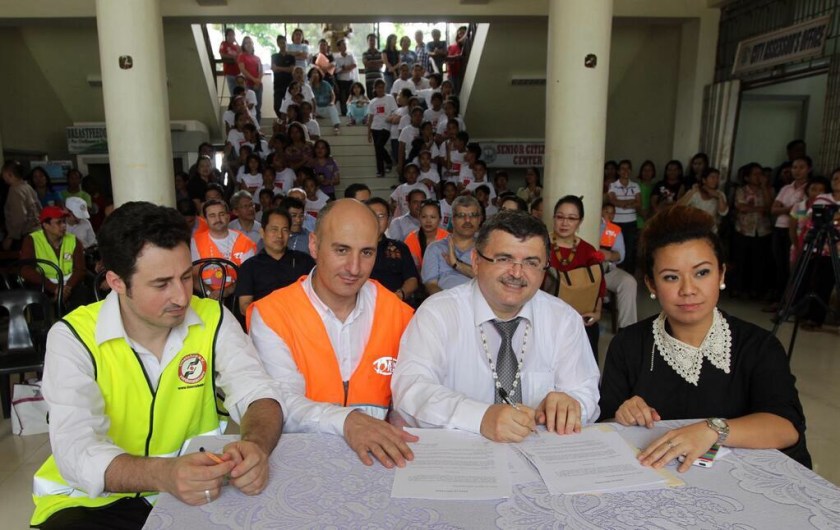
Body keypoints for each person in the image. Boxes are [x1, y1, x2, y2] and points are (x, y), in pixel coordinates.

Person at [30, 202, 283, 529]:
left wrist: (256, 446)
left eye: (185, 277)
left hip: (195, 488)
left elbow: (258, 392)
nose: (181, 297)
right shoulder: (73, 338)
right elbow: (75, 449)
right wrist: (163, 474)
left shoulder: (214, 319)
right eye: (161, 284)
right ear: (117, 282)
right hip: (89, 500)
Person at [598, 205, 811, 471]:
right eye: (671, 277)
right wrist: (622, 412)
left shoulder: (757, 346)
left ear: (721, 274)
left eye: (701, 273)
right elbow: (603, 421)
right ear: (652, 285)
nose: (688, 290)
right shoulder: (628, 345)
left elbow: (786, 427)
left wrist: (713, 429)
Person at [393, 211, 601, 440]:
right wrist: (480, 418)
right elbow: (411, 389)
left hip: (540, 449)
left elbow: (586, 392)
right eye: (503, 259)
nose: (517, 273)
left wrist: (571, 406)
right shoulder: (439, 313)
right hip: (462, 455)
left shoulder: (563, 319)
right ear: (475, 261)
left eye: (531, 263)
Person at [248, 199, 417, 468]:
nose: (354, 268)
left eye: (366, 253)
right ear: (314, 246)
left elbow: (415, 395)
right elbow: (280, 405)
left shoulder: (401, 314)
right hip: (303, 460)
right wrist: (347, 420)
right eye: (342, 250)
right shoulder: (272, 314)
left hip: (383, 459)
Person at [546, 196, 605, 360]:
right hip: (548, 318)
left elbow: (599, 285)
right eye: (560, 217)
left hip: (580, 318)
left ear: (580, 222)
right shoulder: (541, 245)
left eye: (571, 218)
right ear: (554, 218)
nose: (565, 223)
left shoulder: (588, 250)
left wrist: (597, 312)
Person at [235, 207, 315, 315]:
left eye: (285, 230)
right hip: (265, 323)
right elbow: (244, 306)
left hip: (300, 319)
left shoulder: (305, 261)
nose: (280, 235)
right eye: (274, 229)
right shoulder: (249, 267)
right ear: (262, 232)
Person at [20, 205, 87, 310]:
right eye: (59, 222)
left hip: (69, 284)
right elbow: (26, 270)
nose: (64, 226)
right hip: (44, 283)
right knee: (36, 296)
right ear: (46, 225)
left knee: (82, 292)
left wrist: (66, 289)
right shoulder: (32, 240)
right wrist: (54, 288)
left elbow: (80, 269)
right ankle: (41, 326)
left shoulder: (73, 240)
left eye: (64, 222)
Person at [191, 199, 257, 299]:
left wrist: (226, 291)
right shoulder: (195, 241)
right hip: (204, 295)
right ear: (205, 219)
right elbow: (194, 276)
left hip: (235, 296)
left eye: (221, 214)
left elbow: (248, 277)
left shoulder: (245, 242)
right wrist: (209, 293)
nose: (218, 219)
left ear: (228, 216)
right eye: (212, 215)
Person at [421, 195, 481, 294]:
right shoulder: (435, 248)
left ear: (479, 219)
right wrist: (451, 305)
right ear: (452, 220)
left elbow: (490, 280)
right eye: (461, 215)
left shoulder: (486, 249)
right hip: (445, 305)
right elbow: (431, 286)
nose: (467, 220)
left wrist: (456, 264)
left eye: (473, 215)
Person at [366, 197, 419, 303]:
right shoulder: (354, 249)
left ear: (388, 220)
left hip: (396, 302)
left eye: (381, 216)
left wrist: (398, 296)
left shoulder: (399, 247)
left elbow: (412, 279)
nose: (376, 220)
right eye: (371, 215)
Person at [600, 203, 638, 330]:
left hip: (607, 270)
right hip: (586, 271)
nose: (609, 215)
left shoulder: (613, 230)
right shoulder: (588, 225)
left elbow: (620, 255)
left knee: (629, 282)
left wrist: (609, 255)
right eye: (606, 211)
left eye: (612, 212)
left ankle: (626, 329)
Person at [608, 159, 641, 274]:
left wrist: (622, 202)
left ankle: (629, 274)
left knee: (630, 249)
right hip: (616, 221)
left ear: (630, 170)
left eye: (628, 168)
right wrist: (631, 201)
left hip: (631, 221)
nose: (625, 171)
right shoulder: (613, 185)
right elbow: (613, 201)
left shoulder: (635, 185)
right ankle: (615, 273)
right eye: (622, 168)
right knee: (615, 247)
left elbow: (638, 203)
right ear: (618, 171)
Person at [2, 160, 42, 250]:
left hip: (23, 235)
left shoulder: (15, 190)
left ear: (9, 174)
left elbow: (19, 217)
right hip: (37, 231)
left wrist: (11, 236)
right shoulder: (28, 187)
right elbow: (39, 208)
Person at [404, 198, 448, 269]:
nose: (428, 221)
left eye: (432, 217)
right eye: (424, 217)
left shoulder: (447, 238)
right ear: (419, 218)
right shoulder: (411, 239)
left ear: (440, 219)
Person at [237, 36, 263, 123]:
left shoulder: (257, 58)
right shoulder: (241, 56)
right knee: (247, 107)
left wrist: (258, 81)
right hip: (247, 85)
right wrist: (254, 80)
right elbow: (243, 70)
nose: (249, 44)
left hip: (258, 85)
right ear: (243, 45)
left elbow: (261, 70)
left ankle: (257, 127)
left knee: (258, 107)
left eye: (250, 42)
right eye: (246, 42)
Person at [271, 35, 295, 118]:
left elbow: (291, 70)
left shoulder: (291, 57)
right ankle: (282, 120)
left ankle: (288, 121)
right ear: (278, 44)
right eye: (280, 43)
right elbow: (274, 69)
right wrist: (285, 68)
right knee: (277, 106)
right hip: (278, 85)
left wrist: (279, 68)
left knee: (290, 105)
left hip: (289, 84)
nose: (283, 45)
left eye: (284, 43)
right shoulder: (274, 56)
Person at [218, 28, 241, 96]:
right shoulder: (224, 44)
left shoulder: (235, 46)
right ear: (226, 36)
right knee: (233, 92)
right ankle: (233, 105)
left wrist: (236, 41)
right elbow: (222, 54)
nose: (231, 37)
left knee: (240, 92)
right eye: (229, 35)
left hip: (237, 72)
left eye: (233, 35)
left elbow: (241, 53)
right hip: (229, 72)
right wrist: (232, 57)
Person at [361, 33, 384, 99]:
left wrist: (371, 62)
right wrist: (376, 62)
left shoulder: (380, 53)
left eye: (373, 40)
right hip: (369, 79)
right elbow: (366, 64)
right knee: (371, 99)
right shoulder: (365, 53)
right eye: (370, 40)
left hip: (379, 79)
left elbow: (381, 64)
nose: (372, 42)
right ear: (367, 41)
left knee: (380, 98)